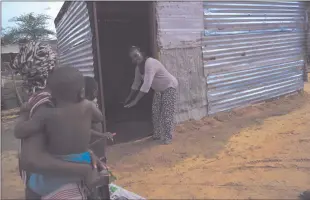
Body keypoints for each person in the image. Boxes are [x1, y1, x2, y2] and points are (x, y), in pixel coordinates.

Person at [15, 67, 110, 199]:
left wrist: (23, 114)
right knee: (90, 192)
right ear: (82, 92)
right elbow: (99, 118)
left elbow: (20, 131)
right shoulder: (88, 106)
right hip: (84, 160)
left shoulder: (46, 114)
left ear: (51, 94)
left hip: (57, 167)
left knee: (33, 187)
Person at [124, 46, 178, 144]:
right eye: (133, 58)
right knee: (155, 112)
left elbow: (146, 85)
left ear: (141, 53)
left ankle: (168, 136)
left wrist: (135, 101)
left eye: (136, 55)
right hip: (158, 90)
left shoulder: (150, 63)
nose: (136, 58)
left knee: (167, 113)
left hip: (169, 86)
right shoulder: (138, 68)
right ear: (132, 60)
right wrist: (128, 98)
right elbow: (136, 84)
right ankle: (157, 134)